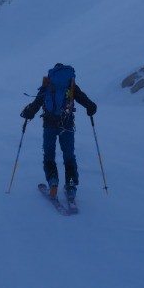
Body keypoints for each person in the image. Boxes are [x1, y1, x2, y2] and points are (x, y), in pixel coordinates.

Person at [20, 63, 97, 201]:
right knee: (69, 156)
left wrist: (28, 114)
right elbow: (84, 99)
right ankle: (71, 186)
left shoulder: (48, 84)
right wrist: (91, 107)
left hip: (49, 125)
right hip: (66, 125)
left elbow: (37, 103)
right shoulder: (70, 84)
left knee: (49, 156)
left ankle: (53, 182)